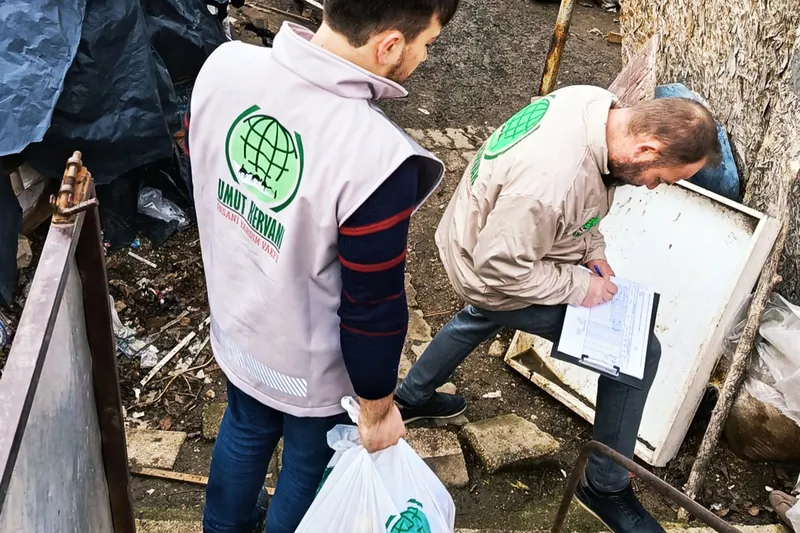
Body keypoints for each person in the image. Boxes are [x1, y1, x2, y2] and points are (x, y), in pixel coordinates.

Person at [395, 85, 722, 533]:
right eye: (662, 178)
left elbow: (576, 209)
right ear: (647, 147)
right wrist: (579, 285)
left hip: (476, 229)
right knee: (638, 354)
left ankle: (412, 396)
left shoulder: (594, 107)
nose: (653, 188)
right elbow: (500, 270)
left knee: (481, 316)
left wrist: (593, 251)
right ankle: (604, 485)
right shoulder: (552, 180)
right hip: (487, 269)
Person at [185, 1, 459, 531]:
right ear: (389, 46)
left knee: (242, 428)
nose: (425, 56)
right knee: (309, 465)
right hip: (312, 371)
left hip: (239, 325)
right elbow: (372, 306)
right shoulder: (376, 157)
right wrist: (377, 408)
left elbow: (206, 162)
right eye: (428, 43)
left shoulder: (224, 66)